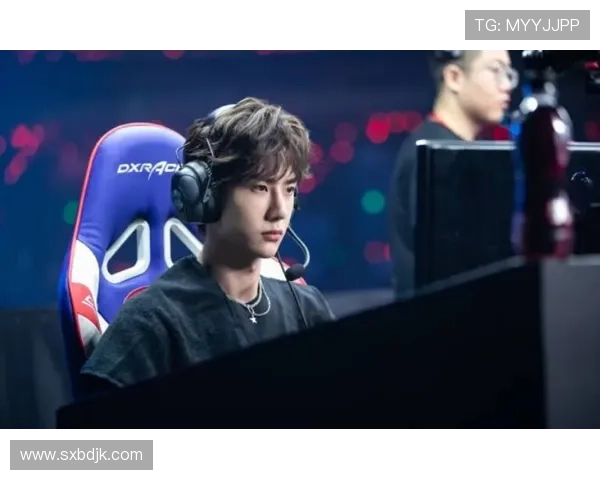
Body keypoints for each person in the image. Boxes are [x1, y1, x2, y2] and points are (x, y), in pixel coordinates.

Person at [80, 97, 336, 395]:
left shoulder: (306, 308)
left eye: (289, 189)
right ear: (205, 196)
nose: (279, 210)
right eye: (260, 188)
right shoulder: (151, 323)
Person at [388, 48, 517, 298]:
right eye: (496, 70)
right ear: (454, 77)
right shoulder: (434, 155)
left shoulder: (453, 151)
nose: (506, 85)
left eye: (509, 73)